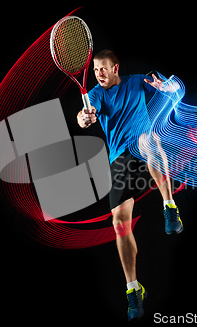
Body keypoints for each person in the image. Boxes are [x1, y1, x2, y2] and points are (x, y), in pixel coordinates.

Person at [76, 49, 183, 321]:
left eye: (103, 68)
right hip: (121, 159)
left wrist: (163, 83)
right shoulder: (96, 95)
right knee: (119, 223)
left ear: (115, 68)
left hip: (143, 146)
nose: (99, 73)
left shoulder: (135, 81)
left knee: (149, 140)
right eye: (96, 69)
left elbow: (162, 83)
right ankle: (133, 289)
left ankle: (169, 206)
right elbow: (85, 114)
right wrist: (85, 118)